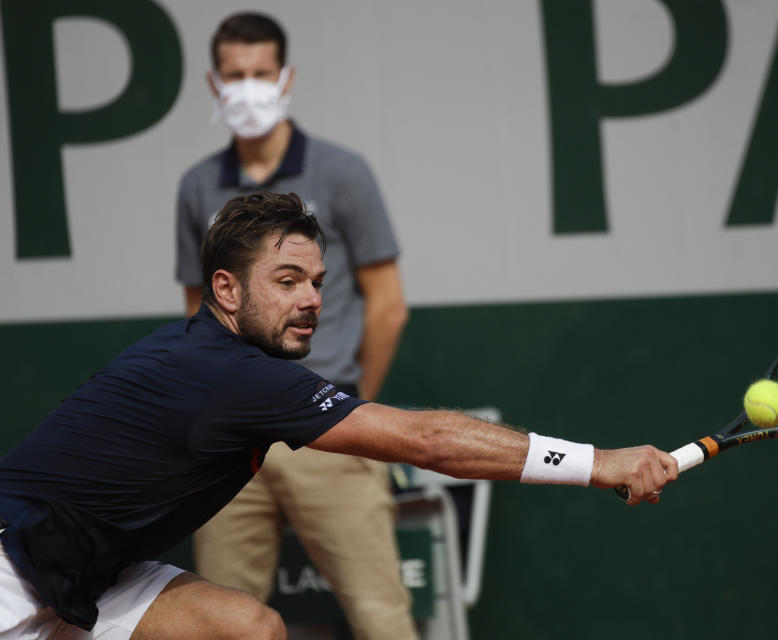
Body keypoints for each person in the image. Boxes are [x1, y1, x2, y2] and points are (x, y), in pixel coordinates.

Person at [0, 191, 677, 639]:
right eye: (287, 280)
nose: (312, 299)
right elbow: (430, 441)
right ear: (227, 290)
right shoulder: (229, 376)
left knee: (248, 629)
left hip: (81, 572)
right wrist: (599, 462)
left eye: (318, 282)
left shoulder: (219, 360)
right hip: (11, 567)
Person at [174, 13, 412, 638]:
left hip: (328, 430)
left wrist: (349, 405)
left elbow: (387, 304)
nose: (248, 87)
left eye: (260, 73)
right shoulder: (198, 186)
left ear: (286, 78)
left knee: (382, 619)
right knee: (220, 624)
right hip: (230, 441)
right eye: (235, 75)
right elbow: (198, 312)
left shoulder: (343, 172)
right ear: (213, 83)